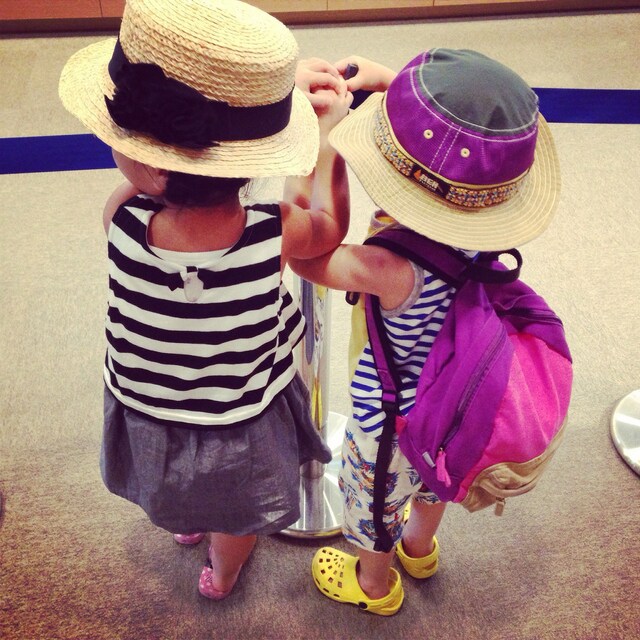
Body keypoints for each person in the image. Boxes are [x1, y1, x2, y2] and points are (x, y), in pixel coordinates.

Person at [58, 0, 352, 600]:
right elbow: (329, 226)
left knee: (181, 490)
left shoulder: (121, 218)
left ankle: (185, 515)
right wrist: (323, 140)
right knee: (236, 517)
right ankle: (225, 572)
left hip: (150, 409)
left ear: (152, 167)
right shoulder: (275, 231)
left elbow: (143, 182)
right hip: (239, 415)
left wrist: (237, 116)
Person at [289, 48, 561, 615]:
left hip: (393, 424)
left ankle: (374, 585)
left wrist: (323, 147)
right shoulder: (485, 225)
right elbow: (466, 161)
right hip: (448, 413)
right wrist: (392, 84)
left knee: (375, 504)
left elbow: (307, 253)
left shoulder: (387, 266)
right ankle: (419, 549)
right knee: (433, 483)